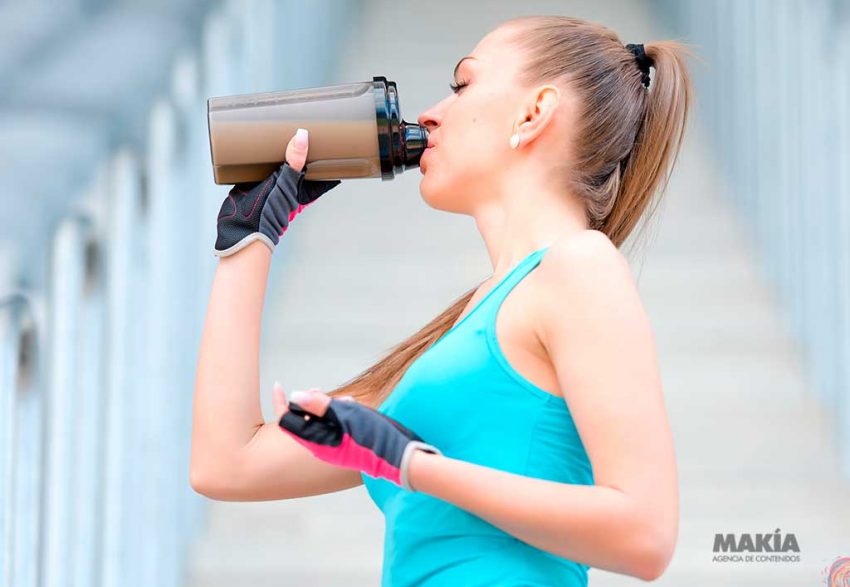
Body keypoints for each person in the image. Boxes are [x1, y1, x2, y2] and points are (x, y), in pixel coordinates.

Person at [191, 14, 694, 587]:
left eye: (463, 85)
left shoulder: (580, 267)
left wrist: (414, 466)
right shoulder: (459, 333)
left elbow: (646, 535)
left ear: (534, 114)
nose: (431, 113)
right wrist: (250, 238)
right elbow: (226, 463)